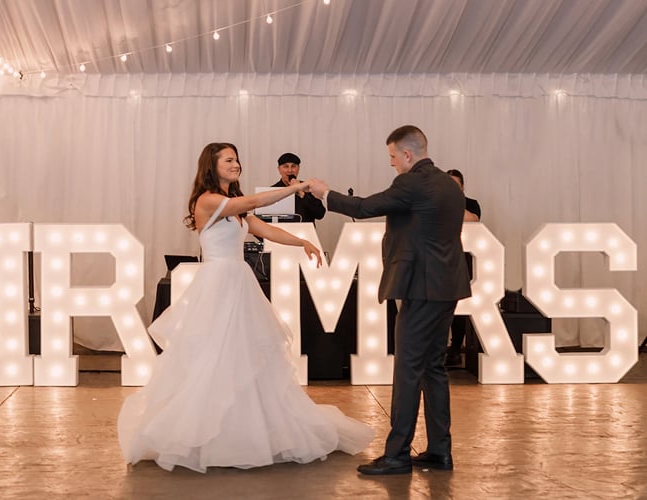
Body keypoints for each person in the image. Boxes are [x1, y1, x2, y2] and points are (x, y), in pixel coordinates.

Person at [118, 142, 373, 473]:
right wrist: (297, 186)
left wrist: (302, 242)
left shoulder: (235, 209)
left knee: (245, 355)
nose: (235, 164)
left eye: (237, 159)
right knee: (214, 355)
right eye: (228, 160)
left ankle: (245, 425)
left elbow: (264, 228)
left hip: (238, 282)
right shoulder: (208, 201)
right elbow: (254, 201)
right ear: (212, 165)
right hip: (218, 283)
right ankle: (210, 432)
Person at [308, 125, 471, 475]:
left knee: (408, 369)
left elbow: (365, 207)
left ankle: (397, 455)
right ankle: (440, 451)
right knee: (433, 368)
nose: (393, 165)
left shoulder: (411, 183)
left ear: (408, 155)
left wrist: (326, 193)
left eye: (393, 158)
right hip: (448, 286)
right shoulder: (450, 185)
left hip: (420, 288)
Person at [445, 169, 481, 367]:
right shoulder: (436, 201)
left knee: (461, 309)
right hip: (442, 261)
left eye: (455, 186)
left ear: (462, 187)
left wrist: (453, 202)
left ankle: (456, 348)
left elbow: (474, 219)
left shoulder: (470, 203)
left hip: (465, 262)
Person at [272, 152, 326, 223]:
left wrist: (301, 192)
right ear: (279, 169)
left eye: (293, 166)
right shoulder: (272, 191)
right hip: (279, 232)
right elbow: (261, 219)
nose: (290, 170)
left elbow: (320, 214)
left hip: (305, 232)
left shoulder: (309, 188)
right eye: (286, 167)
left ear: (298, 169)